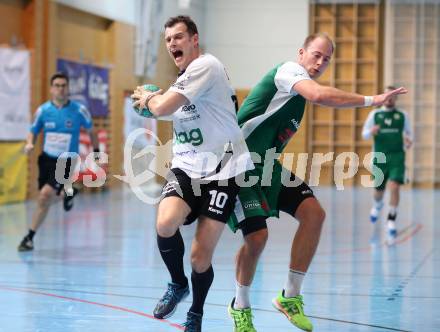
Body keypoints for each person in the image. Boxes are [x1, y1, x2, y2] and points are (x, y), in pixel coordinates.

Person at [226, 33, 407, 332]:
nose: (320, 62)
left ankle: (290, 297)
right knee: (256, 239)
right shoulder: (287, 72)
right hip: (239, 164)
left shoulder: (297, 96)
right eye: (316, 55)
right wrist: (372, 100)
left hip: (267, 165)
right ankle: (240, 305)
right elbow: (320, 95)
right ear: (301, 53)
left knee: (314, 214)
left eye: (326, 59)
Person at [131, 16, 253, 331]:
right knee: (165, 221)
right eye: (168, 39)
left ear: (194, 39)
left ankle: (195, 314)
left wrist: (147, 99)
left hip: (224, 170)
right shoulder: (182, 81)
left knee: (200, 256)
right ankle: (177, 284)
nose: (173, 43)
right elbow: (167, 107)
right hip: (187, 167)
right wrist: (155, 100)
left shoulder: (206, 66)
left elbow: (159, 108)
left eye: (179, 37)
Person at [18, 72, 98, 252]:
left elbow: (92, 132)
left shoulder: (79, 110)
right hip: (46, 160)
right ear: (51, 89)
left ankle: (29, 236)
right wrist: (30, 143)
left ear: (68, 88)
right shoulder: (43, 111)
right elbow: (33, 130)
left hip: (67, 160)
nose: (61, 89)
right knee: (43, 200)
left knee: (45, 194)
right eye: (57, 85)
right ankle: (66, 195)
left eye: (64, 85)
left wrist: (97, 153)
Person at [362, 86, 412, 244]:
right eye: (388, 96)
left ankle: (391, 219)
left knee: (395, 186)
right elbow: (364, 134)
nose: (390, 99)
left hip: (397, 156)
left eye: (393, 96)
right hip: (380, 157)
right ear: (384, 97)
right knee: (379, 190)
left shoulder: (403, 115)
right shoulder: (375, 114)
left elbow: (410, 134)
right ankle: (377, 205)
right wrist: (371, 131)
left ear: (396, 98)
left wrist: (409, 140)